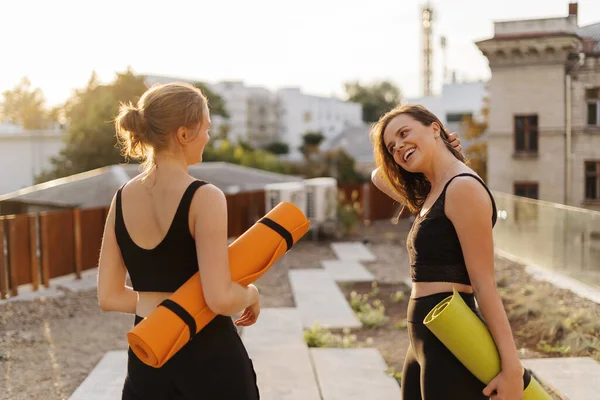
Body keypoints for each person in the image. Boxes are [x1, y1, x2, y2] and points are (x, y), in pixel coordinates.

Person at [97, 82, 260, 400]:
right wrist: (251, 294)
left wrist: (158, 303)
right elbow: (220, 299)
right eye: (206, 128)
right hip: (210, 362)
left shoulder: (121, 198)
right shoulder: (205, 197)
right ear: (184, 134)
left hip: (149, 362)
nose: (208, 137)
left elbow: (109, 296)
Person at [371, 104, 524, 400]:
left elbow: (484, 284)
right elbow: (379, 176)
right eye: (392, 147)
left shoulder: (461, 187)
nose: (399, 147)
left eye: (404, 133)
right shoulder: (431, 192)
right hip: (424, 337)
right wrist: (428, 150)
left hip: (448, 333)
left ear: (435, 128)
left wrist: (512, 369)